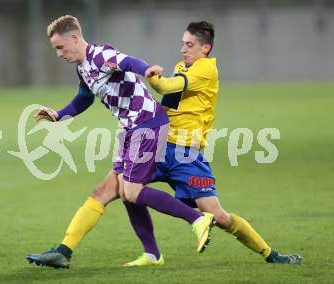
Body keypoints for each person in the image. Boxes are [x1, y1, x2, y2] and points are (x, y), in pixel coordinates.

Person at [26, 15, 215, 269]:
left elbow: (129, 62)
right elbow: (83, 100)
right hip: (130, 129)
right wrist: (58, 115)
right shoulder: (83, 67)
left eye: (60, 47)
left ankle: (197, 220)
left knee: (132, 191)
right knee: (108, 192)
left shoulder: (101, 56)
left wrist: (146, 70)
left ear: (74, 38)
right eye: (55, 49)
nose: (59, 53)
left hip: (147, 124)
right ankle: (144, 254)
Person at [124, 21, 302, 266]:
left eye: (189, 45)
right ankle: (151, 253)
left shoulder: (206, 69)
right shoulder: (182, 66)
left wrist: (150, 75)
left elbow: (166, 85)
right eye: (182, 44)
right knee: (124, 188)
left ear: (205, 48)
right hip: (160, 147)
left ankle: (270, 254)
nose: (183, 50)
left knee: (219, 216)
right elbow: (168, 103)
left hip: (187, 156)